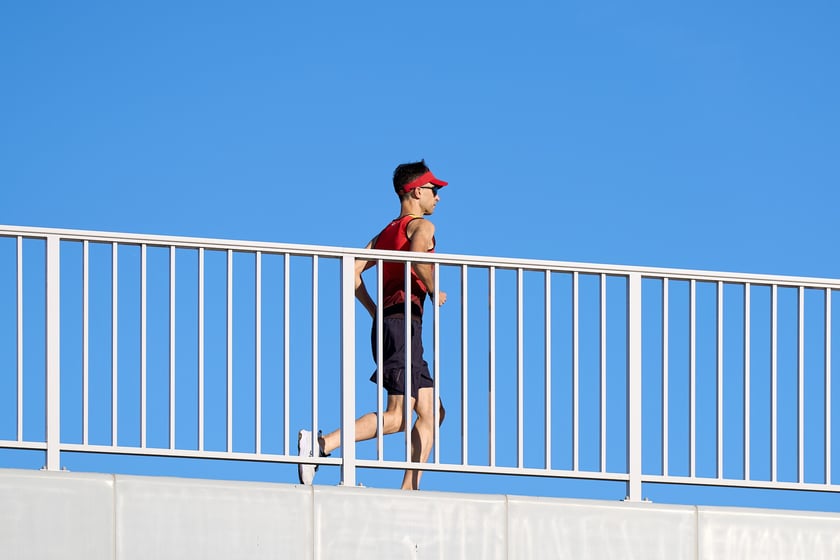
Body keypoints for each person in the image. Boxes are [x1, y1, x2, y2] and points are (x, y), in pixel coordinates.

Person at [298, 159, 448, 490]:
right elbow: (419, 257)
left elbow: (352, 270)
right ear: (416, 191)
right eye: (434, 189)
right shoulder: (422, 227)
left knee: (432, 411)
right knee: (397, 416)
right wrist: (433, 287)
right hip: (403, 324)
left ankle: (409, 490)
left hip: (396, 324)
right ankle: (321, 445)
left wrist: (374, 311)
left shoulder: (385, 234)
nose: (438, 197)